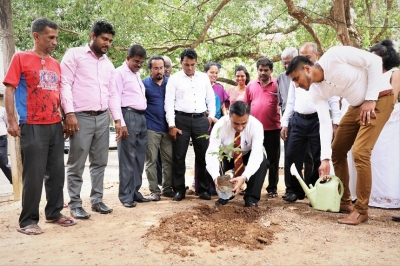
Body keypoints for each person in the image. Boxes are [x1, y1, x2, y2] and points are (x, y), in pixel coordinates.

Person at [286, 46, 394, 225]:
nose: (296, 85)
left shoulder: (334, 55)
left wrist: (370, 99)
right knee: (336, 150)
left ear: (307, 69)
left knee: (360, 152)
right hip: (355, 106)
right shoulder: (315, 91)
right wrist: (325, 159)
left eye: (296, 79)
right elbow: (325, 124)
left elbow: (374, 61)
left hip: (380, 99)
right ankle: (345, 202)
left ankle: (361, 210)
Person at [4, 18, 76, 235]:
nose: (55, 42)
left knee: (56, 172)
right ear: (36, 36)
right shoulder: (21, 58)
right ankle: (28, 220)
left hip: (54, 124)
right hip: (32, 124)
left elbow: (59, 93)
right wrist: (12, 121)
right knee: (33, 174)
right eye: (50, 37)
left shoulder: (55, 64)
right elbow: (9, 90)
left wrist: (64, 118)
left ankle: (54, 212)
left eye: (56, 37)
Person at [60, 21, 122, 218]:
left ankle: (97, 200)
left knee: (100, 162)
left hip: (103, 118)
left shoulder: (108, 64)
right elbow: (65, 84)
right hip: (80, 117)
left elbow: (112, 94)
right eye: (104, 39)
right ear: (93, 35)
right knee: (76, 163)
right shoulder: (74, 55)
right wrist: (69, 113)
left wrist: (118, 120)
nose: (107, 44)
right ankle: (75, 204)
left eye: (110, 41)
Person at [280, 43, 341, 203]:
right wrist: (285, 122)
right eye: (301, 57)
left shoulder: (324, 75)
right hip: (298, 120)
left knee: (319, 157)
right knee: (292, 155)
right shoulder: (296, 76)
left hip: (318, 121)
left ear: (317, 55)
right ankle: (295, 190)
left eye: (308, 57)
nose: (304, 60)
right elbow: (291, 102)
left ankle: (315, 189)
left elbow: (334, 99)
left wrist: (336, 121)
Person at [165, 48, 216, 201]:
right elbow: (168, 103)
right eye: (186, 64)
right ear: (181, 63)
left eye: (193, 65)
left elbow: (211, 99)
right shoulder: (174, 79)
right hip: (181, 121)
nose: (190, 68)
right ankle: (179, 190)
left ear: (196, 63)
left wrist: (211, 116)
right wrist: (171, 125)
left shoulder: (203, 78)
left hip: (201, 119)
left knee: (203, 156)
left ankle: (204, 189)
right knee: (179, 156)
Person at [206, 101, 268, 207]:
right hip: (227, 154)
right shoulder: (220, 125)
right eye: (235, 123)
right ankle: (225, 195)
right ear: (229, 117)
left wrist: (244, 177)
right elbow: (212, 152)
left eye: (244, 123)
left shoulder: (256, 126)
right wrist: (216, 177)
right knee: (212, 163)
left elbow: (256, 154)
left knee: (262, 160)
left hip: (246, 153)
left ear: (249, 117)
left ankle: (251, 198)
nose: (240, 128)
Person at [115, 44, 150, 207]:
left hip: (141, 117)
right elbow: (114, 99)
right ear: (128, 58)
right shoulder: (119, 73)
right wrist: (120, 123)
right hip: (128, 115)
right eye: (136, 61)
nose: (139, 65)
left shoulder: (136, 74)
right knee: (127, 157)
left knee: (139, 157)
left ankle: (135, 191)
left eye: (141, 62)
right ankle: (125, 195)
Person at [367, 40, 400, 208]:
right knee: (373, 158)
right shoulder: (371, 76)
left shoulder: (395, 73)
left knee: (388, 160)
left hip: (390, 121)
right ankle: (372, 195)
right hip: (372, 118)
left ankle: (389, 197)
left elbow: (392, 98)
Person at [244, 58, 279, 198]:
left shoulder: (277, 84)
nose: (263, 73)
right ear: (257, 70)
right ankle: (250, 186)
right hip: (253, 130)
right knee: (252, 158)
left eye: (266, 70)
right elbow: (246, 106)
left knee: (273, 159)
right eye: (260, 70)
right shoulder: (251, 85)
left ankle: (272, 188)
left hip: (273, 129)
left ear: (271, 70)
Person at [143, 55, 175, 201]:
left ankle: (167, 189)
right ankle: (154, 191)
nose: (159, 70)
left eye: (161, 67)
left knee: (169, 160)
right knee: (151, 160)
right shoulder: (143, 84)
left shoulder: (171, 83)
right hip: (151, 128)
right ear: (150, 69)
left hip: (168, 128)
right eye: (155, 68)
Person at [0, 107, 12, 184]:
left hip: (1, 139)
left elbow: (8, 124)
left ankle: (16, 182)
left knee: (3, 164)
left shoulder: (2, 110)